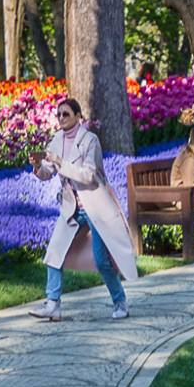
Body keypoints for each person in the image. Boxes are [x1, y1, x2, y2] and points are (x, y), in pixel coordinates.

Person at [29, 96, 141, 322]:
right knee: (54, 253)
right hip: (72, 207)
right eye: (58, 114)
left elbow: (89, 175)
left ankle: (120, 302)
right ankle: (53, 304)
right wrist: (37, 166)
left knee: (101, 260)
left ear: (78, 116)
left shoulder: (90, 140)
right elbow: (48, 172)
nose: (61, 118)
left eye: (66, 114)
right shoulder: (57, 139)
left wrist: (60, 162)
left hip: (94, 205)